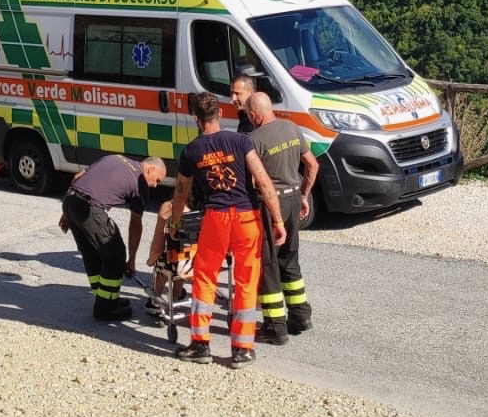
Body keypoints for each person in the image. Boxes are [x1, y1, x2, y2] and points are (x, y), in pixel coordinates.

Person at [169, 91, 285, 366]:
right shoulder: (241, 141)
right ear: (219, 114)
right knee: (246, 281)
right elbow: (263, 182)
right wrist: (278, 220)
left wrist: (175, 225)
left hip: (216, 218)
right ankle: (242, 349)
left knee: (205, 278)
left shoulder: (192, 151)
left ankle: (200, 344)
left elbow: (180, 194)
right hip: (247, 218)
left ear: (195, 118)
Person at [58, 155, 167, 320]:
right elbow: (135, 225)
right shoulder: (140, 184)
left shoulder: (116, 158)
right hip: (90, 209)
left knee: (92, 253)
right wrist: (131, 260)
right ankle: (106, 309)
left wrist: (67, 213)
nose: (155, 185)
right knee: (115, 255)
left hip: (71, 201)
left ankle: (105, 298)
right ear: (150, 169)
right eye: (157, 180)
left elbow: (78, 176)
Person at [246, 92, 317, 343]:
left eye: (248, 114)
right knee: (290, 259)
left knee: (269, 264)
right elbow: (312, 165)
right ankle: (300, 315)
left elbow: (256, 181)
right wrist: (304, 196)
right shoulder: (291, 127)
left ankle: (275, 327)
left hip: (270, 204)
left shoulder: (253, 140)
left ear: (254, 114)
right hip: (293, 198)